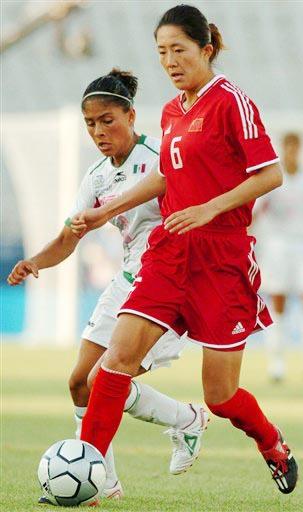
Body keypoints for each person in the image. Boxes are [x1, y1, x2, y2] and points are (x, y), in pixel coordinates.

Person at [70, 5, 298, 496]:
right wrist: (106, 210)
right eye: (161, 53)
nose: (170, 61)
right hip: (170, 252)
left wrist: (210, 209)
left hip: (222, 259)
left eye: (179, 50)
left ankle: (272, 442)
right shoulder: (174, 109)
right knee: (115, 361)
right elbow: (167, 176)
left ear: (206, 49)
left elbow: (270, 174)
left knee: (220, 396)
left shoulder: (232, 101)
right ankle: (89, 476)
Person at [7, 68, 209, 502]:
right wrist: (34, 262)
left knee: (105, 381)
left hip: (169, 280)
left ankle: (186, 419)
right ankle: (108, 481)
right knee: (80, 382)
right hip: (127, 280)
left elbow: (191, 199)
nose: (98, 132)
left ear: (131, 115)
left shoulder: (159, 156)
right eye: (90, 124)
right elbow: (68, 237)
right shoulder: (97, 176)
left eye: (107, 120)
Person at [254, 132, 303, 381]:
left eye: (296, 147)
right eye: (288, 147)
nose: (292, 151)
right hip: (277, 245)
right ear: (283, 148)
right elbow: (256, 212)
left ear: (300, 148)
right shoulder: (273, 177)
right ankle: (276, 363)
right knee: (277, 301)